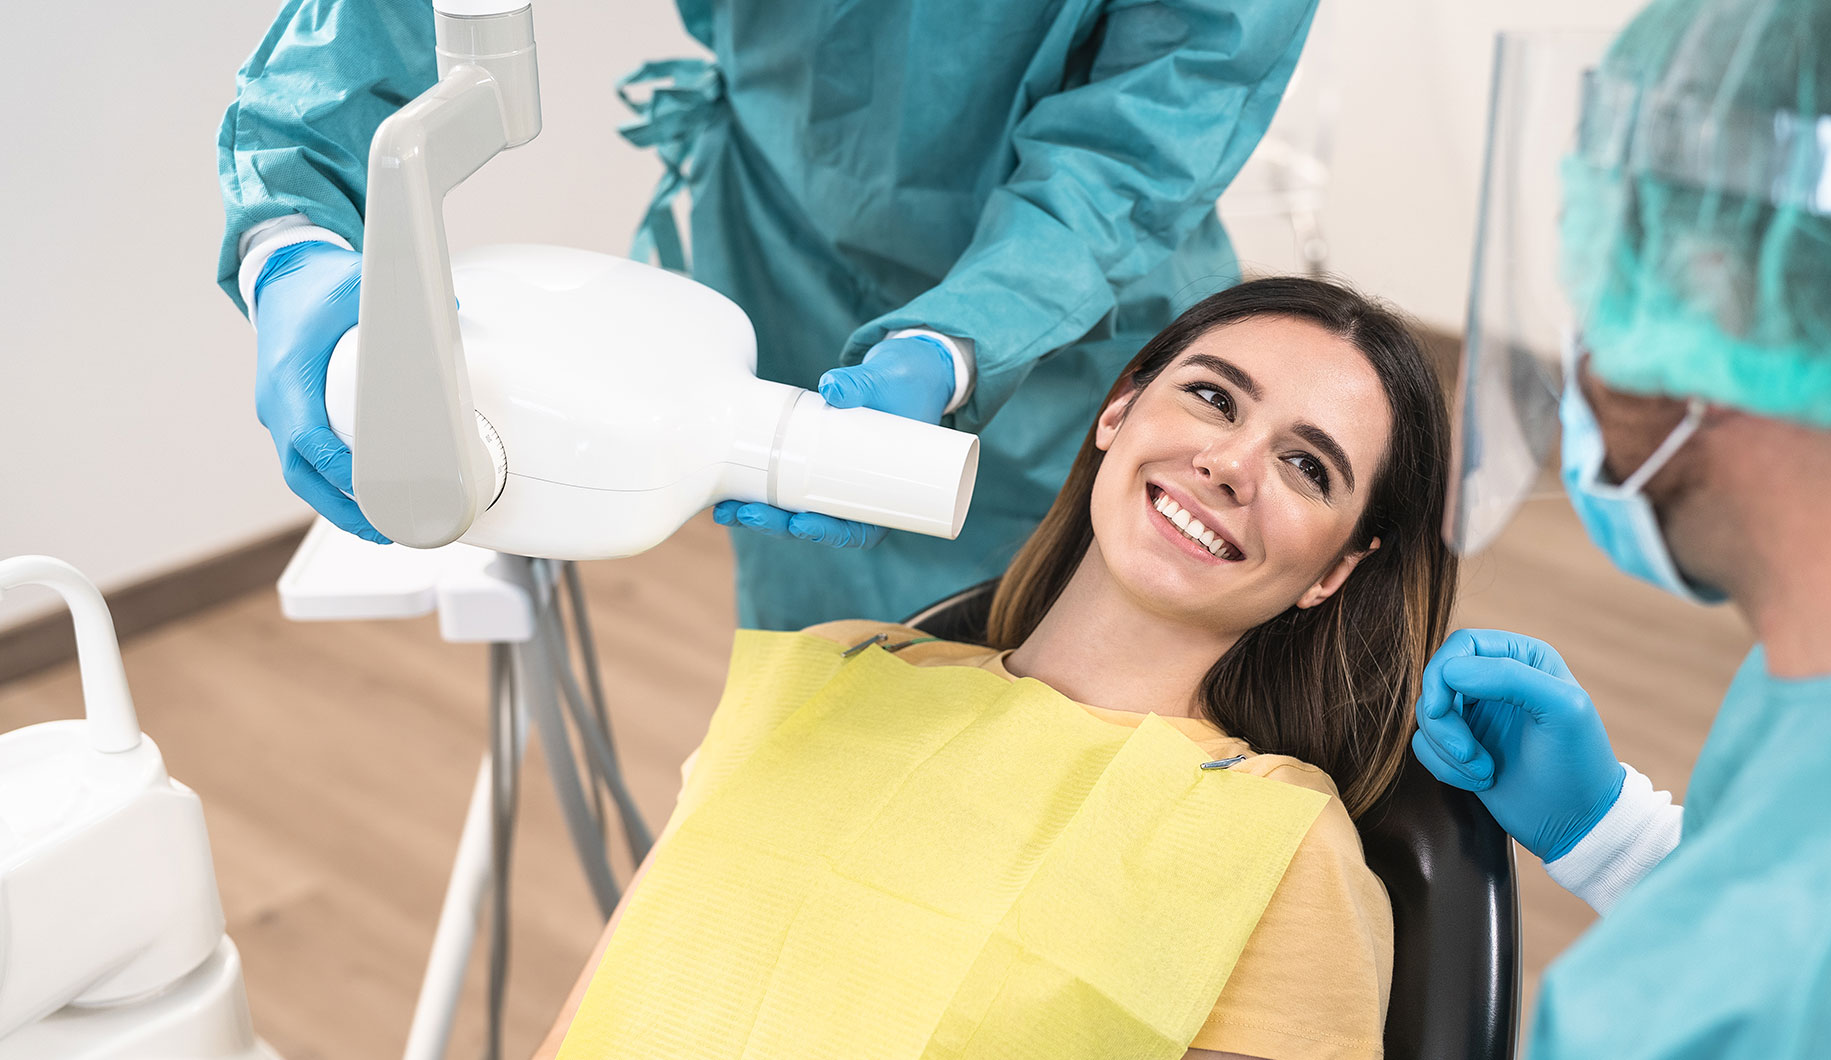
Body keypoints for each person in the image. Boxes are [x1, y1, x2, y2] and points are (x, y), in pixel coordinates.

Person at [529, 277, 1457, 1059]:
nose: (1229, 463)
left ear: (1335, 569)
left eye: (1306, 466)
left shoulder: (1277, 849)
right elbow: (608, 1001)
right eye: (1214, 398)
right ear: (1120, 408)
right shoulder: (839, 668)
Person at [216, 0, 1323, 630]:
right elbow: (369, 30)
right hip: (785, 259)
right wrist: (292, 244)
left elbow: (1147, 127)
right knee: (827, 738)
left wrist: (963, 335)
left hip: (1078, 327)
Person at [1414, 0, 1831, 1055]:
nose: (1588, 337)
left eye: (1608, 270)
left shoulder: (1757, 999)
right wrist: (1616, 838)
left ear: (1717, 289)